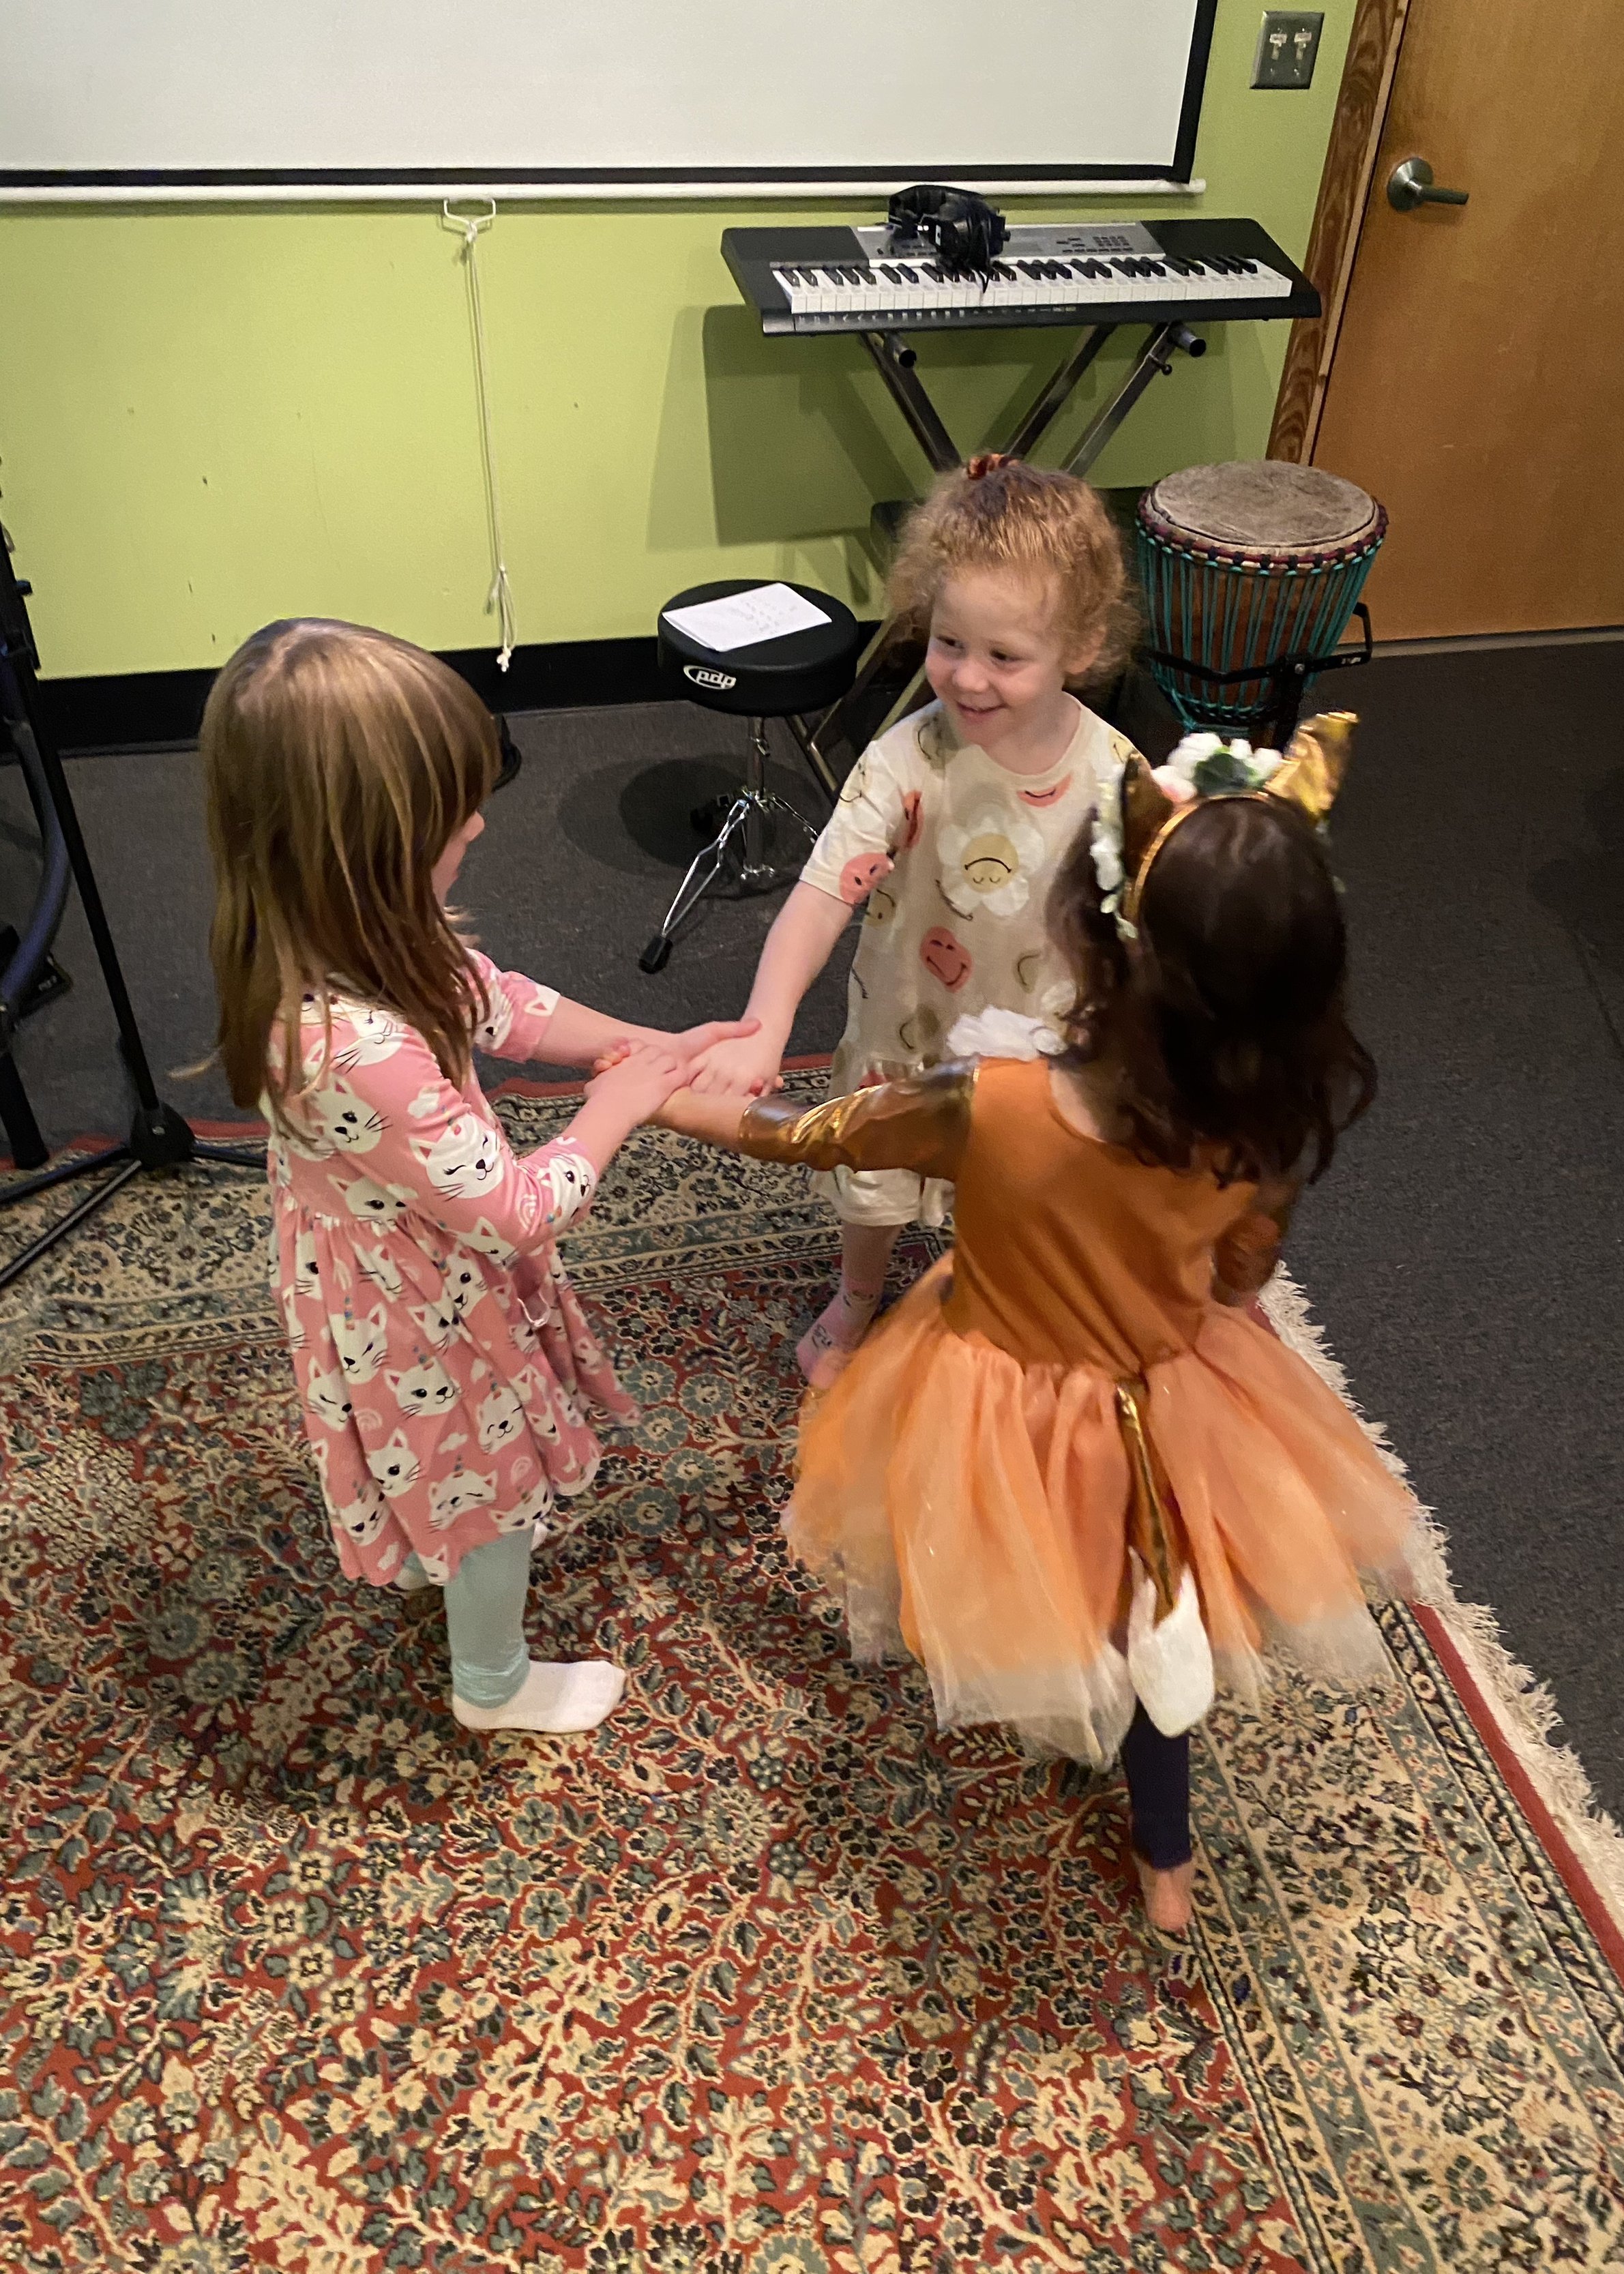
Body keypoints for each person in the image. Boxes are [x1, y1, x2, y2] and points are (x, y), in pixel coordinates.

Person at [651, 715, 1419, 1931]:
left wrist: (657, 1098)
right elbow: (1238, 1279)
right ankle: (1165, 1857)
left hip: (993, 1404)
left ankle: (1056, 1718)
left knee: (1013, 1575)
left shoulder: (991, 1105)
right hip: (1168, 1406)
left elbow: (812, 1135)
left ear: (1095, 942)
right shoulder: (1260, 1136)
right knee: (1153, 1610)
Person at [201, 619, 752, 1734]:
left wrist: (644, 1041)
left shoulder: (353, 928)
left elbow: (501, 1001)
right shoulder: (347, 1046)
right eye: (454, 812)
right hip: (421, 1313)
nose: (482, 821)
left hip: (406, 1262)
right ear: (370, 845)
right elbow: (511, 1208)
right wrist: (619, 1105)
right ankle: (492, 1680)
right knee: (489, 1497)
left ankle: (428, 1539)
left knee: (444, 1476)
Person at [687, 454, 1143, 1387]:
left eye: (1005, 657)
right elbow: (821, 895)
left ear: (1083, 647)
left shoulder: (1117, 775)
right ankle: (858, 1296)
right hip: (910, 1024)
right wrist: (768, 1019)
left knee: (1021, 1185)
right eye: (946, 643)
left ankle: (998, 1294)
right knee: (877, 1178)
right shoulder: (906, 759)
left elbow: (1154, 913)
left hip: (1040, 1040)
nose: (967, 679)